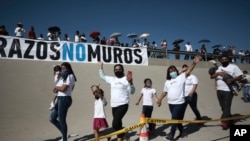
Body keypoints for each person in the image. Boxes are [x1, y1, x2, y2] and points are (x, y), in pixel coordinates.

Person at [157, 55, 202, 141]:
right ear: (168, 73)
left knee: (174, 119)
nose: (172, 71)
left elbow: (189, 70)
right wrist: (159, 99)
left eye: (173, 70)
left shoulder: (181, 77)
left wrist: (194, 63)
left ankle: (171, 134)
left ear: (176, 71)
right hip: (170, 103)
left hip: (179, 103)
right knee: (176, 119)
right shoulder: (167, 82)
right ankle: (182, 132)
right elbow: (164, 92)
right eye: (170, 71)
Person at [98, 62, 135, 141]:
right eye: (116, 69)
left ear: (122, 70)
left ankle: (123, 134)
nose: (118, 71)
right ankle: (121, 137)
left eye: (119, 69)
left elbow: (132, 92)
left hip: (123, 104)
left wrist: (131, 83)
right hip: (114, 105)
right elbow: (102, 76)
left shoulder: (126, 79)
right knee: (118, 123)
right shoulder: (112, 79)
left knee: (115, 124)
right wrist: (101, 66)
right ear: (114, 71)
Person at [210, 54, 243, 130]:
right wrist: (218, 73)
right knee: (223, 106)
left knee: (227, 106)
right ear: (220, 61)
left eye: (225, 59)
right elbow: (211, 77)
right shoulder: (219, 68)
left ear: (228, 60)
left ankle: (224, 122)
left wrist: (232, 80)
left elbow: (240, 76)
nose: (224, 60)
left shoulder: (234, 67)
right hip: (219, 90)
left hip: (229, 90)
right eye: (222, 59)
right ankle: (230, 119)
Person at [49, 62, 77, 141]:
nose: (63, 70)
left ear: (68, 68)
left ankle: (64, 139)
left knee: (62, 120)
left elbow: (64, 89)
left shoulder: (70, 76)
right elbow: (58, 88)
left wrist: (57, 88)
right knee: (52, 118)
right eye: (62, 68)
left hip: (65, 99)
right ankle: (65, 134)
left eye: (64, 68)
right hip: (60, 98)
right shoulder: (62, 77)